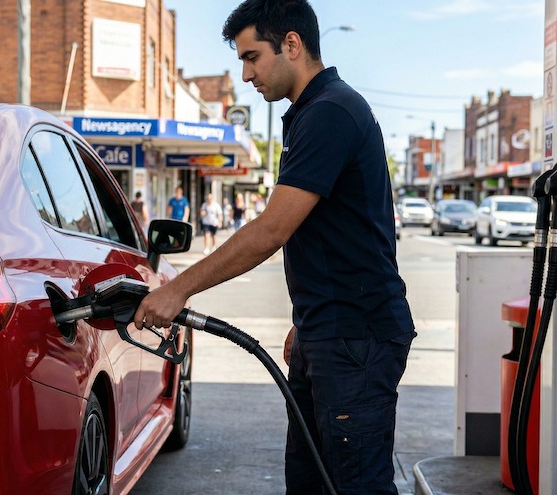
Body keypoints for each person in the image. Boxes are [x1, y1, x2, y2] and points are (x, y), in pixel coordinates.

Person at [133, 1, 415, 493]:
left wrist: (178, 289)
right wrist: (307, 321)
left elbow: (271, 231)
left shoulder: (330, 112)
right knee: (309, 481)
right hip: (330, 330)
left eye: (251, 57)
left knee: (355, 486)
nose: (245, 74)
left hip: (355, 339)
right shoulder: (314, 111)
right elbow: (338, 234)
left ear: (291, 43)